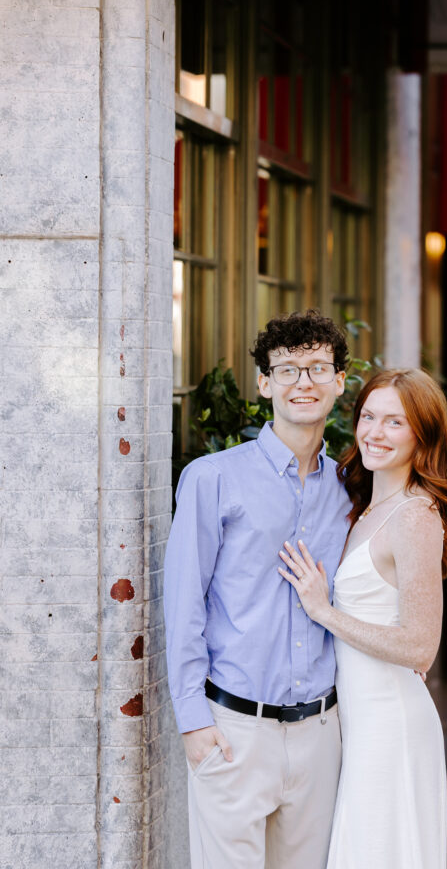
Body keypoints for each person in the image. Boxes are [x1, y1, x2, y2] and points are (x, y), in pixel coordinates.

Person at [164, 310, 352, 869]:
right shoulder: (212, 477)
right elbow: (183, 604)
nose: (304, 383)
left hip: (320, 732)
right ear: (265, 383)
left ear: (340, 382)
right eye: (288, 370)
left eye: (318, 368)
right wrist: (194, 722)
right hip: (234, 730)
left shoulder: (349, 490)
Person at [278, 368, 447, 869]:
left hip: (390, 723)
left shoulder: (414, 516)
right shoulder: (364, 505)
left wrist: (325, 612)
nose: (374, 433)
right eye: (368, 417)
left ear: (421, 435)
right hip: (358, 721)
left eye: (394, 423)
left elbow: (419, 647)